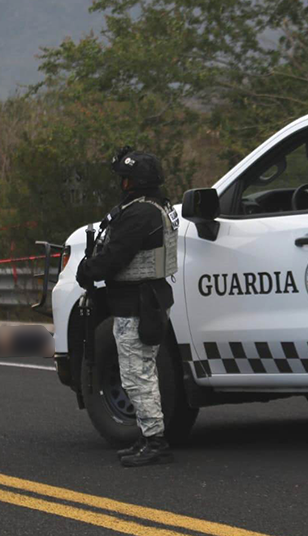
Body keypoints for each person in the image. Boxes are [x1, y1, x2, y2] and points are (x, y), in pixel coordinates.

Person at [76, 147, 179, 468]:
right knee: (142, 370)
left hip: (137, 302)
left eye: (125, 179)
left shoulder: (140, 214)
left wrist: (86, 271)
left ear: (134, 182)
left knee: (137, 374)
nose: (121, 185)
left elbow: (114, 256)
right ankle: (149, 437)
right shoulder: (156, 207)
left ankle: (154, 441)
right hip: (147, 298)